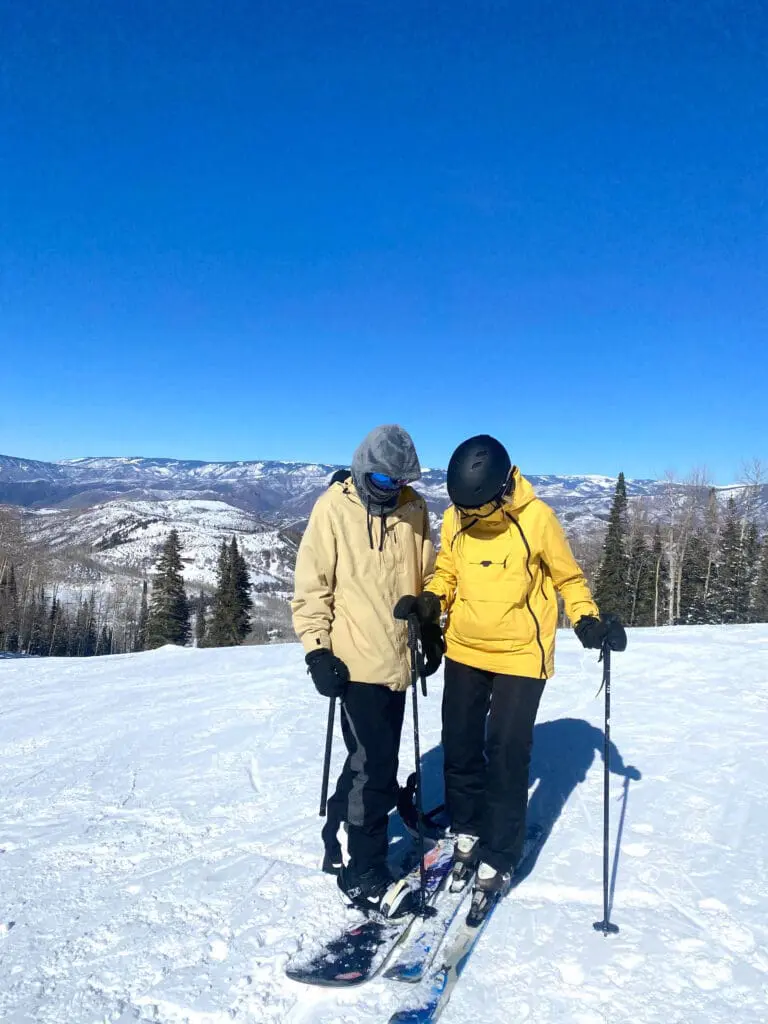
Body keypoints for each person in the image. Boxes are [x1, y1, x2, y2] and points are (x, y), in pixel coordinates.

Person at [403, 435, 626, 917]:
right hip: (465, 645)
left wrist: (586, 619)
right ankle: (467, 827)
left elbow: (568, 578)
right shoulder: (456, 517)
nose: (470, 515)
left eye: (478, 507)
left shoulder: (537, 519)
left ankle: (499, 856)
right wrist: (431, 600)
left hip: (522, 654)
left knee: (505, 754)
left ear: (503, 490)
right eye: (464, 508)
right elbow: (448, 571)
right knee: (460, 744)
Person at [291, 425, 443, 916]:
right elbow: (312, 587)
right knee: (373, 769)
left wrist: (430, 625)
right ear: (362, 467)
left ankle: (340, 831)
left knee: (369, 762)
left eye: (398, 479)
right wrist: (318, 652)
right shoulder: (334, 509)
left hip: (399, 660)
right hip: (354, 663)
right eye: (381, 476)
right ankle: (365, 870)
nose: (389, 486)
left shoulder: (414, 509)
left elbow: (428, 576)